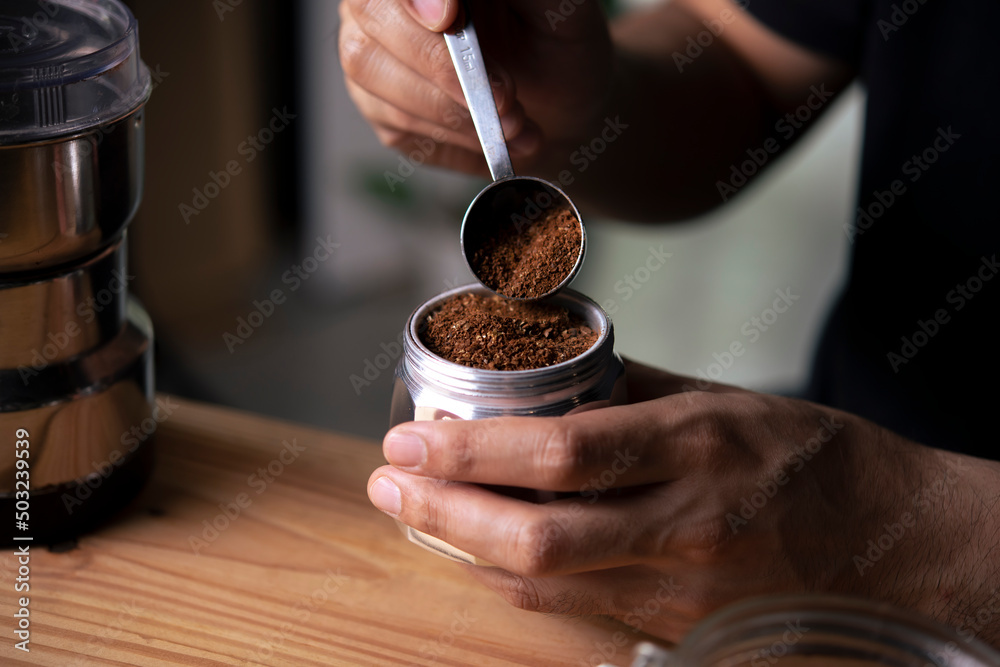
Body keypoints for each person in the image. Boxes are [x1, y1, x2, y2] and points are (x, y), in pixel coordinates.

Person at [339, 0, 1000, 647]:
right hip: (864, 418)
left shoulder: (862, 511)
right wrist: (583, 109)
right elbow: (749, 55)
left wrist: (897, 527)